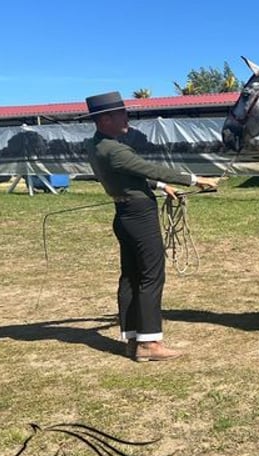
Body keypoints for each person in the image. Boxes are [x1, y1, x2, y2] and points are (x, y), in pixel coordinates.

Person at [84, 92, 218, 362]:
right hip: (139, 217)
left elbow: (130, 173)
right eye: (122, 114)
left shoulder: (97, 146)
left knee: (131, 276)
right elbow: (148, 168)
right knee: (151, 276)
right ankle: (149, 343)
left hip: (124, 215)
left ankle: (133, 339)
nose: (127, 119)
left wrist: (161, 186)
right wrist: (195, 180)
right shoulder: (115, 149)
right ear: (105, 119)